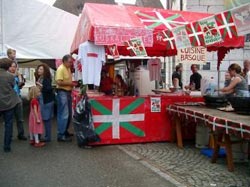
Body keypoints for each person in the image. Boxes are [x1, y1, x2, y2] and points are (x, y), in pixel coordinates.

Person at [0, 58, 21, 152]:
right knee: (8, 124)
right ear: (8, 66)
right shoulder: (10, 76)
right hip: (8, 103)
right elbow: (13, 86)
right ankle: (6, 146)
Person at [55, 54, 77, 142]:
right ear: (64, 61)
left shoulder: (67, 68)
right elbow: (59, 82)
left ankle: (65, 131)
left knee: (68, 114)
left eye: (71, 62)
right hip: (62, 92)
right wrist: (70, 84)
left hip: (67, 92)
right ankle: (61, 134)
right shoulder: (61, 69)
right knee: (64, 114)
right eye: (69, 62)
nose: (71, 64)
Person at [35, 63, 54, 142]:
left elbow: (49, 89)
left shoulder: (46, 79)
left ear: (45, 71)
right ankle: (44, 135)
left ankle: (47, 137)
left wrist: (40, 85)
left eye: (41, 69)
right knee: (45, 118)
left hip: (46, 101)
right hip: (43, 100)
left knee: (46, 119)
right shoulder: (40, 77)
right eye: (39, 69)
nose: (39, 70)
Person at [8, 61, 27, 140]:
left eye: (14, 67)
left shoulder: (17, 75)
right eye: (11, 66)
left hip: (17, 97)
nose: (13, 68)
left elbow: (20, 85)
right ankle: (9, 135)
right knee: (9, 119)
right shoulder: (7, 75)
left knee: (20, 118)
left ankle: (21, 134)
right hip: (9, 98)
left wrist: (19, 77)